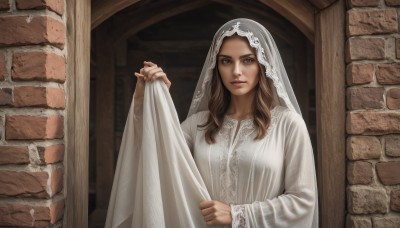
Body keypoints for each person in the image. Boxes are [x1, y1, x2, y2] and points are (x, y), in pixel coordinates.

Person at [117, 18, 318, 228]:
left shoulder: (289, 125)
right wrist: (152, 99)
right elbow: (154, 155)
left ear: (263, 64)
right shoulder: (197, 124)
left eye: (247, 60)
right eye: (226, 61)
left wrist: (237, 214)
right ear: (216, 66)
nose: (236, 71)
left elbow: (302, 201)